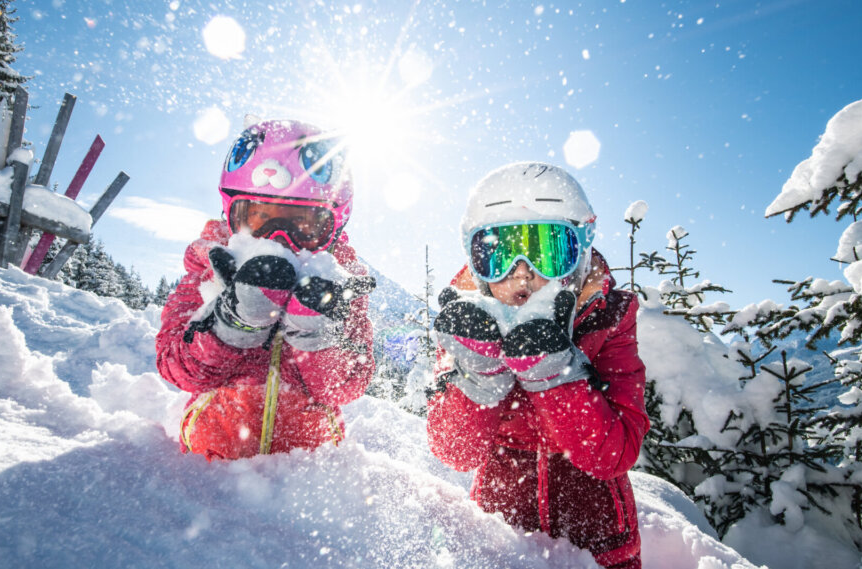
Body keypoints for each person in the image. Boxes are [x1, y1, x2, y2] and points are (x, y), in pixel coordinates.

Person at [427, 162, 649, 569]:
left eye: (549, 251)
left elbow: (616, 454)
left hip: (600, 549)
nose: (523, 276)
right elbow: (455, 452)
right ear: (476, 268)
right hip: (501, 544)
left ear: (580, 254)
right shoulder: (468, 326)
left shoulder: (608, 317)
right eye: (497, 255)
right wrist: (480, 375)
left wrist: (555, 374)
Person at [156, 119, 376, 461]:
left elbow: (348, 385)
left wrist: (314, 333)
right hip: (205, 469)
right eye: (259, 220)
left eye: (303, 225)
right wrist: (232, 323)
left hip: (306, 476)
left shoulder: (341, 288)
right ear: (230, 215)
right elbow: (177, 368)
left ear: (334, 228)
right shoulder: (207, 269)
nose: (279, 242)